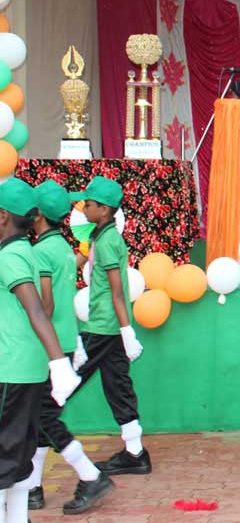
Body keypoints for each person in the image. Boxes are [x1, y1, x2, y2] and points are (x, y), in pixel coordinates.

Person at [28, 181, 114, 514]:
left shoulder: (40, 252)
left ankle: (90, 475)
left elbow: (45, 306)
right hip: (64, 340)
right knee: (42, 417)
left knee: (43, 415)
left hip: (48, 345)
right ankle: (33, 487)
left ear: (36, 215)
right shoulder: (62, 246)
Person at [0, 179, 82, 523]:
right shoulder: (30, 252)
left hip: (10, 370)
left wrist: (60, 362)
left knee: (4, 457)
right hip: (29, 368)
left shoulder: (9, 257)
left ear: (3, 216)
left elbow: (36, 308)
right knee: (19, 455)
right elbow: (45, 306)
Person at [66, 176, 151, 476]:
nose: (84, 209)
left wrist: (127, 331)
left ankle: (35, 444)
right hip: (109, 327)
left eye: (88, 204)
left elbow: (117, 291)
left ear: (103, 210)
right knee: (117, 386)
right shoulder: (101, 238)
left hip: (102, 327)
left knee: (62, 384)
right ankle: (135, 453)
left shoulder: (108, 242)